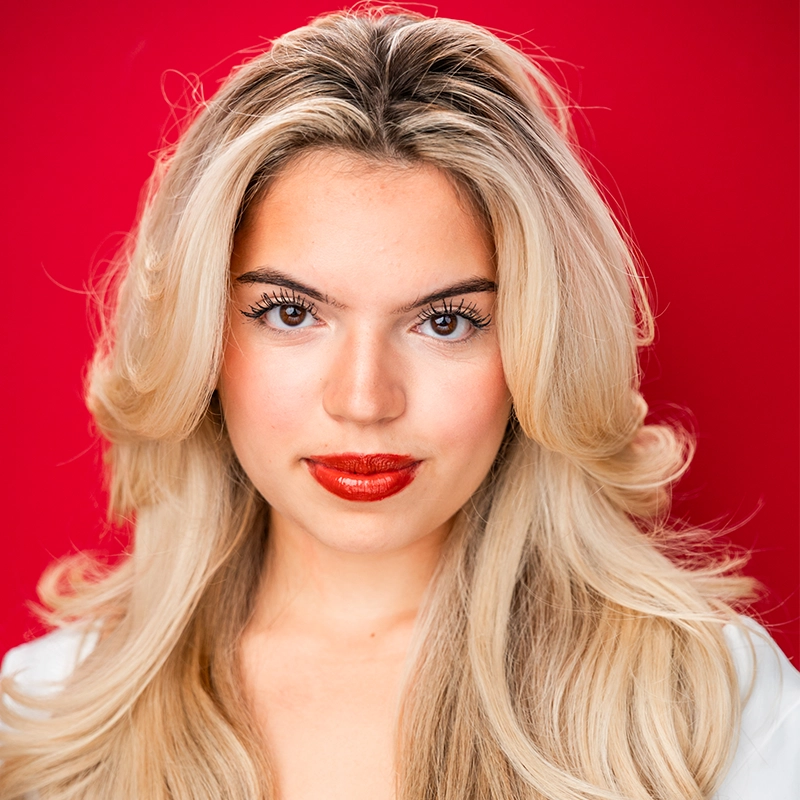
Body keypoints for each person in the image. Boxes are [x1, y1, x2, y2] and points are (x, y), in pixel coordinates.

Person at [1, 7, 798, 800]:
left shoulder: (707, 707)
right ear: (201, 342)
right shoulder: (45, 714)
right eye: (291, 313)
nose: (363, 400)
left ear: (535, 352)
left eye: (444, 322)